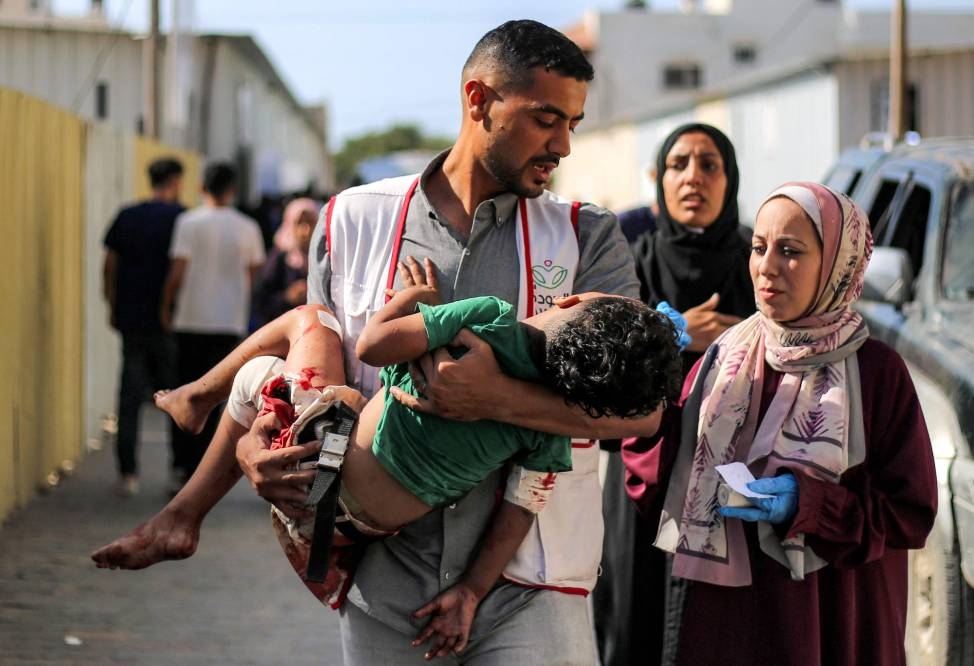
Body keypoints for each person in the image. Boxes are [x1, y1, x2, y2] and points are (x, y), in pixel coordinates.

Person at [93, 19, 652, 664]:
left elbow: (640, 410)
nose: (563, 146)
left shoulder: (589, 238)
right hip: (379, 579)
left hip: (533, 584)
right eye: (545, 119)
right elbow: (308, 377)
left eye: (573, 124)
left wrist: (493, 399)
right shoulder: (351, 219)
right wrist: (254, 451)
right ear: (478, 100)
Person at [152, 278, 679, 652]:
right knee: (349, 402)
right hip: (358, 528)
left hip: (315, 466)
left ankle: (195, 400)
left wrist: (408, 300)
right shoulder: (549, 427)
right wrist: (471, 590)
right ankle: (191, 471)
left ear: (569, 299)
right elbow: (520, 511)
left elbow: (375, 346)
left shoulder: (486, 319)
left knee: (307, 325)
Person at [621, 182, 937, 665]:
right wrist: (652, 372)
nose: (767, 267)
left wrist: (810, 503)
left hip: (832, 620)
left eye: (790, 251)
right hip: (725, 623)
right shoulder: (723, 357)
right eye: (759, 248)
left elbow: (909, 514)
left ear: (837, 263)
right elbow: (652, 481)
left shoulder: (876, 372)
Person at [595, 123, 758, 665]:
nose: (694, 178)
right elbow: (601, 374)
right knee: (634, 620)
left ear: (730, 179)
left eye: (710, 165)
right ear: (659, 179)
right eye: (679, 164)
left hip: (741, 478)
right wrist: (673, 334)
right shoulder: (630, 262)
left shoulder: (758, 264)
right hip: (644, 474)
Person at [160, 162, 265, 489]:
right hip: (228, 324)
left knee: (183, 393)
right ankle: (205, 472)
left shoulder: (188, 222)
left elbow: (178, 270)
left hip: (190, 320)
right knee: (219, 400)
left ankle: (181, 465)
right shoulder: (248, 227)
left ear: (202, 187)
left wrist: (165, 306)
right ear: (232, 190)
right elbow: (254, 274)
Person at [101, 157, 185, 496]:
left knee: (130, 395)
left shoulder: (127, 216)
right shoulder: (182, 218)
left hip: (131, 318)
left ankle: (128, 473)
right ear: (176, 181)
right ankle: (179, 470)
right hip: (170, 321)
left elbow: (109, 263)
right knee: (177, 395)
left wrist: (111, 302)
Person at [251, 197, 319, 325]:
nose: (306, 230)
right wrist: (287, 297)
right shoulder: (279, 258)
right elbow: (262, 302)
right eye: (299, 223)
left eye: (311, 222)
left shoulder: (324, 258)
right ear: (289, 224)